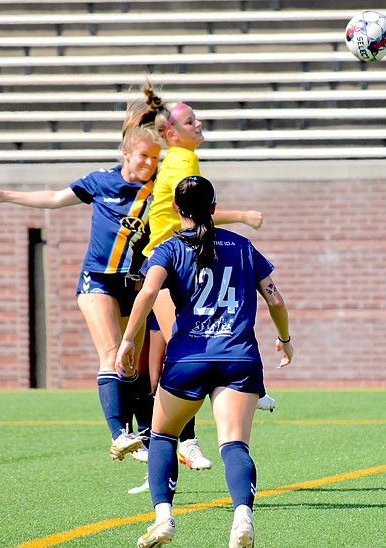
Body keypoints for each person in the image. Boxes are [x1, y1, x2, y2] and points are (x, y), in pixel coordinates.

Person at [115, 175, 293, 548]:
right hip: (239, 358)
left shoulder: (167, 248)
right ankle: (242, 517)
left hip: (189, 359)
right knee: (234, 445)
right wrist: (285, 340)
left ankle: (164, 518)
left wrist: (128, 340)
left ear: (177, 209)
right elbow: (274, 299)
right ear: (214, 209)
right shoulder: (243, 245)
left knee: (163, 434)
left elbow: (147, 292)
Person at [122, 84, 274, 493]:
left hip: (174, 257)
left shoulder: (178, 157)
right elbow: (193, 215)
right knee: (183, 356)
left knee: (183, 357)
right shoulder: (183, 160)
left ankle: (184, 433)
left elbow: (189, 214)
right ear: (172, 133)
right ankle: (185, 437)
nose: (199, 123)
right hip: (169, 262)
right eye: (191, 121)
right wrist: (241, 214)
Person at [0, 125, 161, 464]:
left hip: (132, 286)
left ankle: (145, 437)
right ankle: (119, 435)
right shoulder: (100, 182)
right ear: (126, 154)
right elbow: (54, 199)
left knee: (131, 363)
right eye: (143, 156)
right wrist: (6, 195)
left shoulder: (157, 188)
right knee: (112, 354)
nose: (149, 163)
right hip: (97, 282)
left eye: (155, 157)